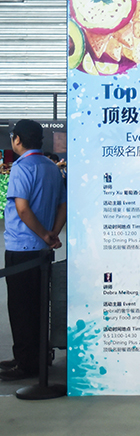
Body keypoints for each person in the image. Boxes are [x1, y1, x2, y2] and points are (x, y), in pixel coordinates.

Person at [2, 120, 67, 381]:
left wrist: (43, 234)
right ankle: (34, 357)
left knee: (21, 308)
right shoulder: (52, 167)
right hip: (41, 251)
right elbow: (63, 205)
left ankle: (27, 364)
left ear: (17, 139)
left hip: (21, 249)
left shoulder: (22, 167)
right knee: (38, 306)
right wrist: (52, 235)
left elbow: (22, 208)